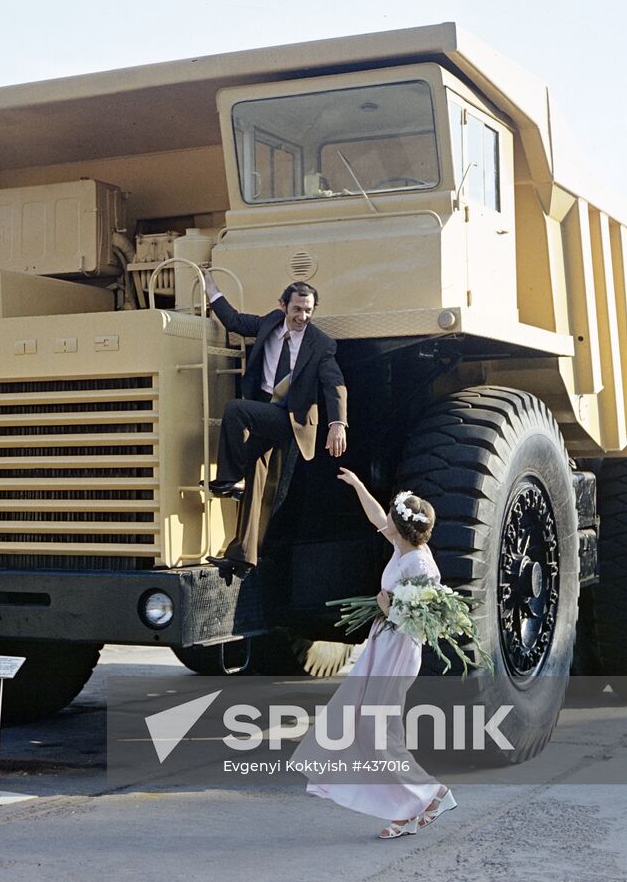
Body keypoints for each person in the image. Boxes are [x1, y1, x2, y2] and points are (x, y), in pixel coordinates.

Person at [294, 467, 455, 840]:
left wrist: (387, 611)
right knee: (373, 730)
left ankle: (431, 794)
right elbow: (377, 518)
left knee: (378, 732)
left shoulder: (420, 564)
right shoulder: (404, 546)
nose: (387, 523)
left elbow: (422, 622)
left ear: (402, 528)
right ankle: (409, 810)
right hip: (382, 646)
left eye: (392, 519)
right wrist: (357, 486)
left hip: (398, 651)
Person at [201, 270, 348, 577]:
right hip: (266, 411)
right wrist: (212, 289)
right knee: (258, 481)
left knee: (235, 410)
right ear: (283, 305)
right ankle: (242, 558)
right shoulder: (269, 322)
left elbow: (334, 384)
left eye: (308, 310)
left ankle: (229, 478)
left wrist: (338, 424)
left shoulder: (320, 344)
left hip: (291, 420)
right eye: (297, 309)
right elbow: (235, 321)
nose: (303, 316)